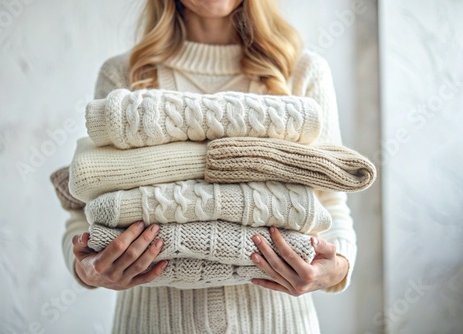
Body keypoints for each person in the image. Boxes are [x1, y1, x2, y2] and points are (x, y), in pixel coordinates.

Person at [61, 0, 356, 332]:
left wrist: (336, 268)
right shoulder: (124, 74)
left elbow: (329, 201)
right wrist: (88, 268)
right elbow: (88, 208)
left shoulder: (301, 70)